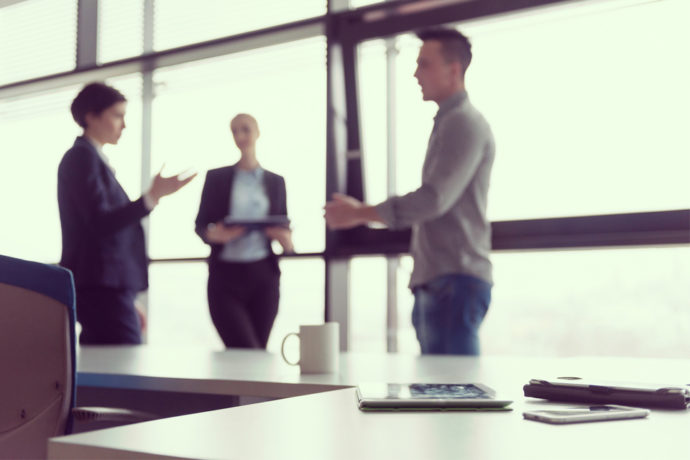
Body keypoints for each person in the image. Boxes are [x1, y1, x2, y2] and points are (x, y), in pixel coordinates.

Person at [324, 28, 495, 355]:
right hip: (441, 279)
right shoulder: (449, 122)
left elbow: (433, 199)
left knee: (455, 398)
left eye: (424, 64)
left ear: (454, 70)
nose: (415, 73)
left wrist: (358, 213)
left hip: (453, 280)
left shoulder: (462, 122)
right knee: (441, 396)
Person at [58, 82, 195, 345]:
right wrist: (151, 197)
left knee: (104, 361)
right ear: (91, 116)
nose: (124, 125)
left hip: (108, 289)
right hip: (101, 288)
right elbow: (100, 223)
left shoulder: (92, 159)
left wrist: (128, 300)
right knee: (123, 361)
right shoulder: (81, 158)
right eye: (117, 115)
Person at [195, 113, 293, 349]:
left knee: (258, 349)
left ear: (257, 132)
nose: (240, 136)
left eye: (245, 129)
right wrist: (214, 235)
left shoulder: (275, 181)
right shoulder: (216, 178)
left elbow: (284, 228)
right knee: (244, 349)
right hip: (225, 276)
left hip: (263, 276)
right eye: (234, 131)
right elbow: (200, 225)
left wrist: (286, 242)